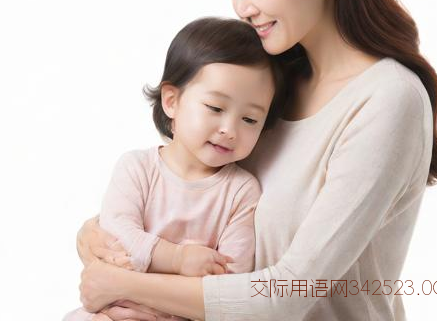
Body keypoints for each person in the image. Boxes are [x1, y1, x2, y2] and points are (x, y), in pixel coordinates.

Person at [74, 0, 437, 320]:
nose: (243, 7)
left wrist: (125, 283)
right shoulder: (265, 83)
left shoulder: (387, 100)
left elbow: (289, 293)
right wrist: (95, 236)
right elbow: (180, 192)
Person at [63, 17, 284, 321]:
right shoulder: (138, 168)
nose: (230, 129)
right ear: (171, 101)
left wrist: (144, 276)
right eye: (215, 108)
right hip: (113, 312)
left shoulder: (242, 191)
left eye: (249, 119)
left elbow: (229, 281)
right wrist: (179, 259)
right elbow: (115, 236)